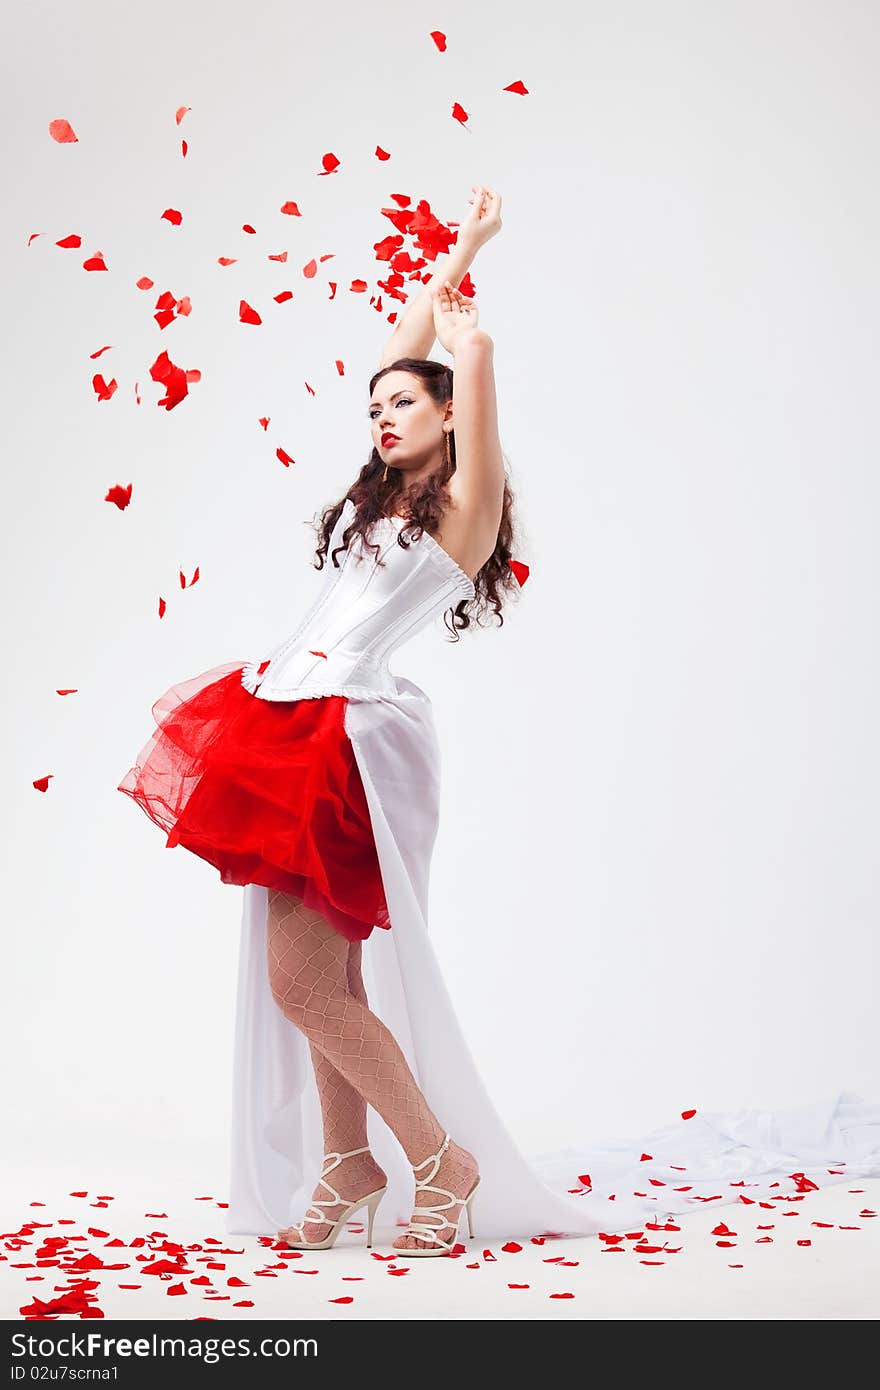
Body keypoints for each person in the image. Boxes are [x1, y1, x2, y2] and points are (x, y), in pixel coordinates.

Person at [119, 185, 586, 1256]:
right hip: (284, 719)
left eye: (404, 404)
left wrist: (474, 353)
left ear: (452, 420)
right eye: (375, 403)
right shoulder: (377, 498)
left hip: (350, 738)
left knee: (305, 982)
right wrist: (460, 250)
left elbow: (466, 385)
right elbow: (405, 349)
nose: (382, 413)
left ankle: (437, 1160)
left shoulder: (462, 514)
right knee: (320, 978)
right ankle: (347, 1162)